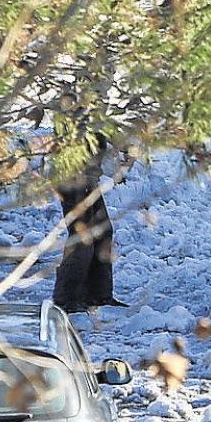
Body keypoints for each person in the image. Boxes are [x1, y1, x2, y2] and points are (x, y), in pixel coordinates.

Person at [51, 132, 129, 312]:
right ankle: (67, 299)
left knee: (103, 231)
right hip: (72, 178)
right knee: (82, 238)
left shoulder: (97, 114)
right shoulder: (75, 116)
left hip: (89, 179)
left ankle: (99, 294)